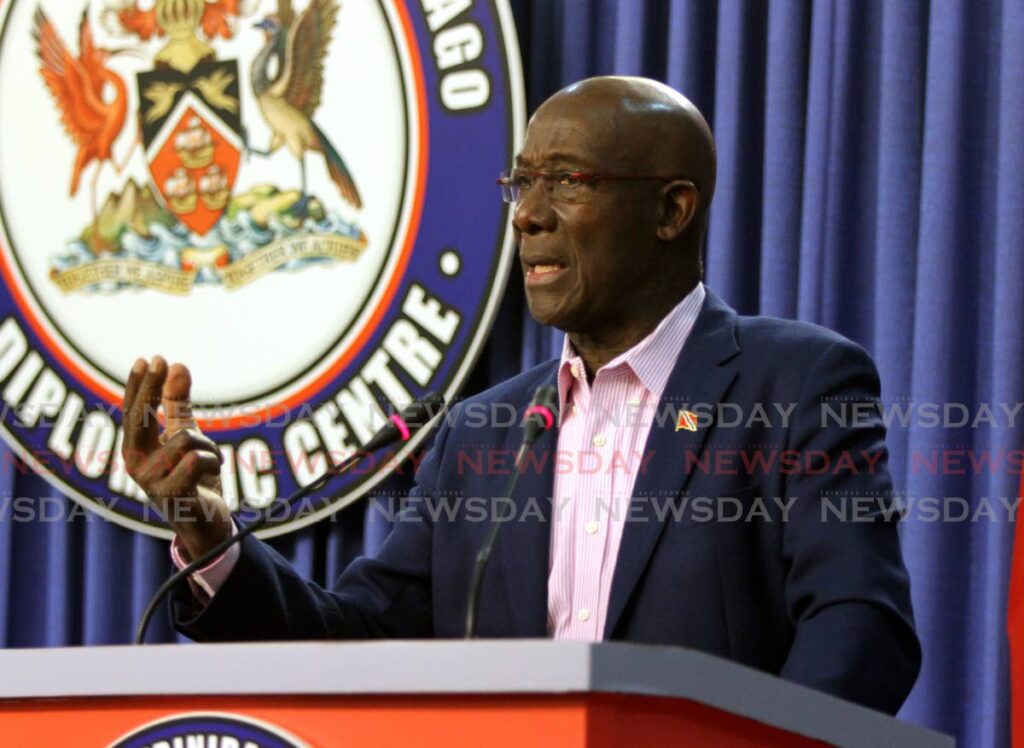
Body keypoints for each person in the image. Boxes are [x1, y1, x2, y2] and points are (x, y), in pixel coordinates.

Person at [122, 76, 921, 715]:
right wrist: (205, 527)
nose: (528, 217)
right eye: (521, 183)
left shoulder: (795, 384)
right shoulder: (484, 434)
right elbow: (358, 641)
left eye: (568, 182)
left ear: (672, 210)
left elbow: (859, 629)